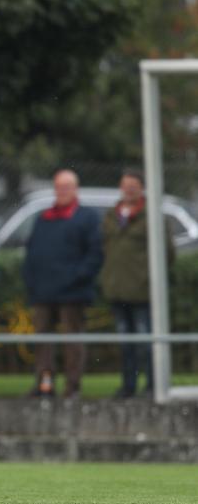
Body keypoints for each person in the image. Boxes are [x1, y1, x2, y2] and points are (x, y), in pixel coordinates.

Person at [22, 169, 102, 399]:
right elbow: (32, 252)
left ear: (75, 189)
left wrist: (76, 277)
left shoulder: (87, 217)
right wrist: (31, 280)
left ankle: (72, 388)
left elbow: (95, 255)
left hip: (72, 293)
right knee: (43, 343)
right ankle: (45, 385)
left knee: (72, 342)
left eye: (67, 187)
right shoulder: (44, 218)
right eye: (59, 187)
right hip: (43, 292)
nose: (62, 192)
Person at [99, 169, 174, 398]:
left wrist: (150, 278)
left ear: (141, 188)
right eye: (125, 186)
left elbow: (168, 253)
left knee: (147, 341)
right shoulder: (112, 215)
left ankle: (153, 385)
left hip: (143, 291)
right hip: (118, 290)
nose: (129, 190)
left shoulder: (152, 215)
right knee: (125, 343)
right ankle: (128, 386)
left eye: (133, 186)